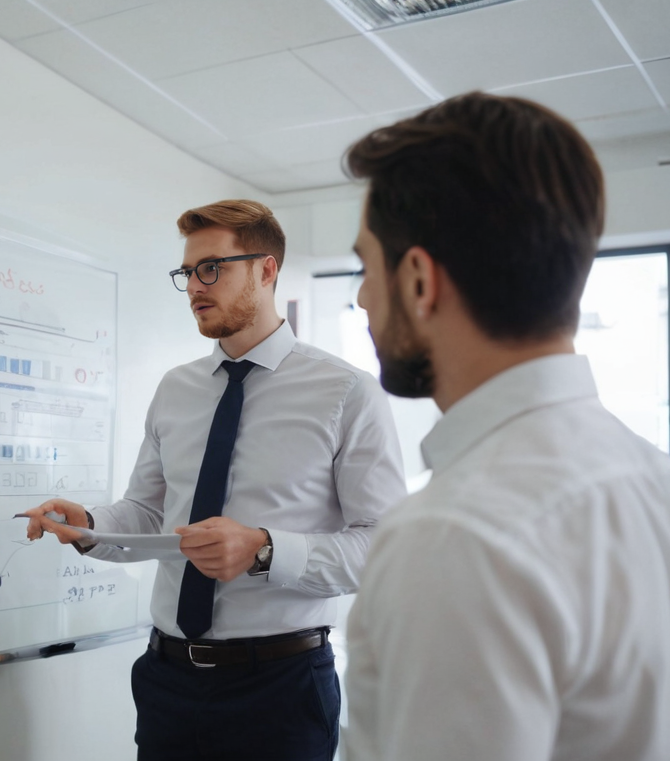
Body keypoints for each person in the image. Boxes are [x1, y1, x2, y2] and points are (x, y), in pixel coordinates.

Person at [341, 92, 670, 761]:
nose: (360, 296)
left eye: (364, 266)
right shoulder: (655, 478)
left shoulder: (454, 535)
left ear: (417, 282)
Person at [23, 199, 406, 761]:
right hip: (167, 682)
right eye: (188, 273)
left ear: (266, 269)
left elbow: (384, 547)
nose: (196, 287)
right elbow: (153, 515)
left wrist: (265, 551)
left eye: (213, 268)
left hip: (280, 688)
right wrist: (91, 525)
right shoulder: (176, 389)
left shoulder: (347, 393)